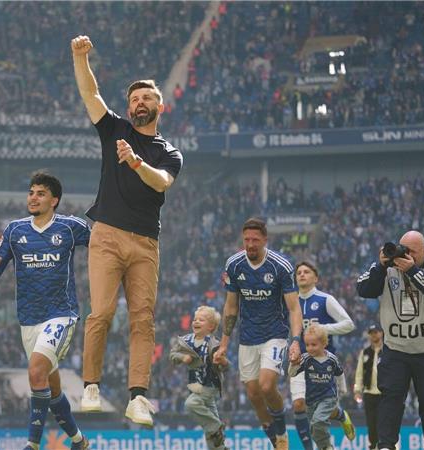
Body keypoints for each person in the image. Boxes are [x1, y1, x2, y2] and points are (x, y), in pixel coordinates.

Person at [71, 34, 184, 426]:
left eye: (146, 98)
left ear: (159, 106)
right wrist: (80, 58)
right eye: (134, 98)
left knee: (143, 318)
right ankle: (91, 387)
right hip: (106, 234)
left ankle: (138, 397)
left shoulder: (169, 153)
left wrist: (136, 163)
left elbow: (162, 183)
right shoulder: (115, 129)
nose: (139, 103)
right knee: (100, 312)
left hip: (146, 243)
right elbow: (90, 93)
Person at [0, 172, 91, 450]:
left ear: (54, 200)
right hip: (28, 319)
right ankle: (79, 441)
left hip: (61, 313)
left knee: (34, 373)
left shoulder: (70, 227)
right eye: (31, 192)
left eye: (40, 193)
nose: (33, 197)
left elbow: (103, 244)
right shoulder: (15, 230)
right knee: (50, 387)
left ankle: (32, 444)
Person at [356, 230, 424, 450]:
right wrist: (380, 266)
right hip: (397, 349)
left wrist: (413, 271)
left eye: (413, 252)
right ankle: (386, 446)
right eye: (403, 250)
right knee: (391, 398)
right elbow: (363, 288)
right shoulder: (387, 265)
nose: (406, 255)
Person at [213, 217, 303, 450]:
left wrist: (295, 341)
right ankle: (272, 435)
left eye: (255, 239)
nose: (250, 244)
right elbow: (231, 306)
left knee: (266, 385)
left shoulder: (280, 266)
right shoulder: (234, 264)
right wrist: (223, 344)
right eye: (246, 240)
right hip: (247, 337)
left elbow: (294, 308)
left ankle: (282, 433)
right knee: (253, 393)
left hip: (275, 333)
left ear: (265, 240)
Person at [291, 261, 355, 450]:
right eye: (299, 272)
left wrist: (323, 329)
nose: (302, 274)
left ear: (315, 277)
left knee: (318, 411)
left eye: (306, 272)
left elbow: (348, 324)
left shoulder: (325, 299)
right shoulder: (292, 302)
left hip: (323, 363)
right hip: (301, 360)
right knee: (299, 404)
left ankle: (339, 415)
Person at [169, 306, 229, 450]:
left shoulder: (214, 344)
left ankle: (216, 426)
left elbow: (226, 366)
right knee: (211, 432)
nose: (196, 321)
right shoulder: (186, 341)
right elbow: (172, 355)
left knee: (190, 405)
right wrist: (183, 357)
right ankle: (218, 443)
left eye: (201, 320)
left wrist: (222, 361)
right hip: (195, 385)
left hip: (210, 385)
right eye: (195, 319)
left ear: (211, 327)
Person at [288, 324, 356, 450]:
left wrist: (342, 389)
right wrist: (293, 364)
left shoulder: (332, 359)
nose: (310, 348)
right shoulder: (306, 359)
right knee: (314, 429)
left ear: (324, 343)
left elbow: (340, 374)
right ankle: (341, 415)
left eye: (314, 345)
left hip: (328, 398)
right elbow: (292, 373)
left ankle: (326, 447)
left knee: (318, 422)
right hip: (311, 400)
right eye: (307, 345)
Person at [354, 324, 385, 450]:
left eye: (376, 332)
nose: (373, 335)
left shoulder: (388, 351)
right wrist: (357, 391)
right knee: (371, 424)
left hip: (384, 393)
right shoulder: (365, 352)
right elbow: (359, 374)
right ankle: (373, 446)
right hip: (369, 393)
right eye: (371, 333)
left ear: (382, 333)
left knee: (384, 423)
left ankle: (385, 446)